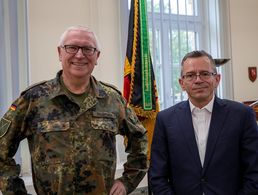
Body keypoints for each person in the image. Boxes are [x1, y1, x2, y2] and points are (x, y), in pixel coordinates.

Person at [0, 25, 148, 195]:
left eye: (88, 49)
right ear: (59, 53)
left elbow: (140, 139)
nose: (79, 55)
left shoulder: (112, 99)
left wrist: (127, 181)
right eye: (72, 47)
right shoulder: (34, 99)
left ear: (97, 56)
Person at [149, 50, 258, 195]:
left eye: (205, 74)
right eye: (190, 75)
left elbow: (254, 171)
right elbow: (157, 176)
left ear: (217, 79)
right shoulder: (165, 119)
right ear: (182, 83)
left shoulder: (242, 115)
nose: (198, 80)